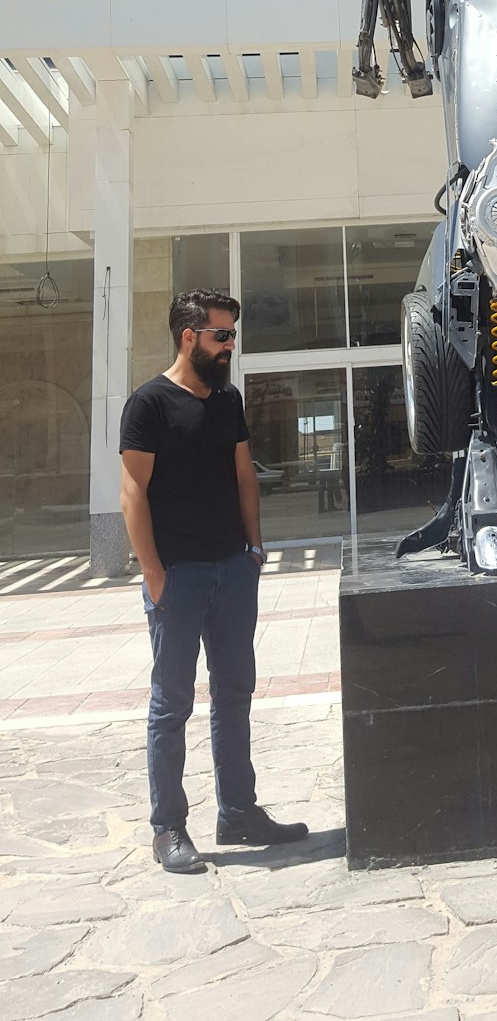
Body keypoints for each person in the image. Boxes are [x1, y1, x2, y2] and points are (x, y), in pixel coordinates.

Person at [119, 288, 308, 874]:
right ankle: (168, 828)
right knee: (171, 703)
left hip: (232, 569)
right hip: (177, 577)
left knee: (234, 694)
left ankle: (239, 813)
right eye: (221, 336)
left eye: (232, 336)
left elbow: (245, 476)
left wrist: (254, 549)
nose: (230, 346)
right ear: (188, 337)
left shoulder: (227, 400)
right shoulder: (147, 404)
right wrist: (154, 574)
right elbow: (133, 494)